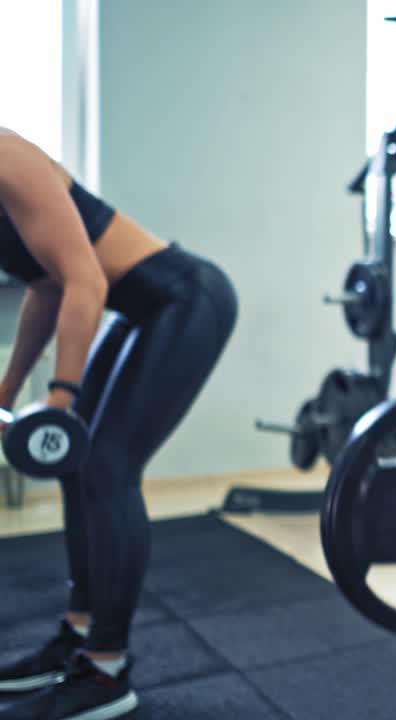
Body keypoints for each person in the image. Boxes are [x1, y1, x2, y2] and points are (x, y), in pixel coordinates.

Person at [0, 128, 237, 720]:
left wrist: (61, 398)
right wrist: (8, 387)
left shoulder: (6, 157)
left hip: (187, 299)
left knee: (107, 469)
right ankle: (78, 637)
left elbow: (87, 281)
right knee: (81, 469)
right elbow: (46, 287)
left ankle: (107, 672)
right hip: (140, 312)